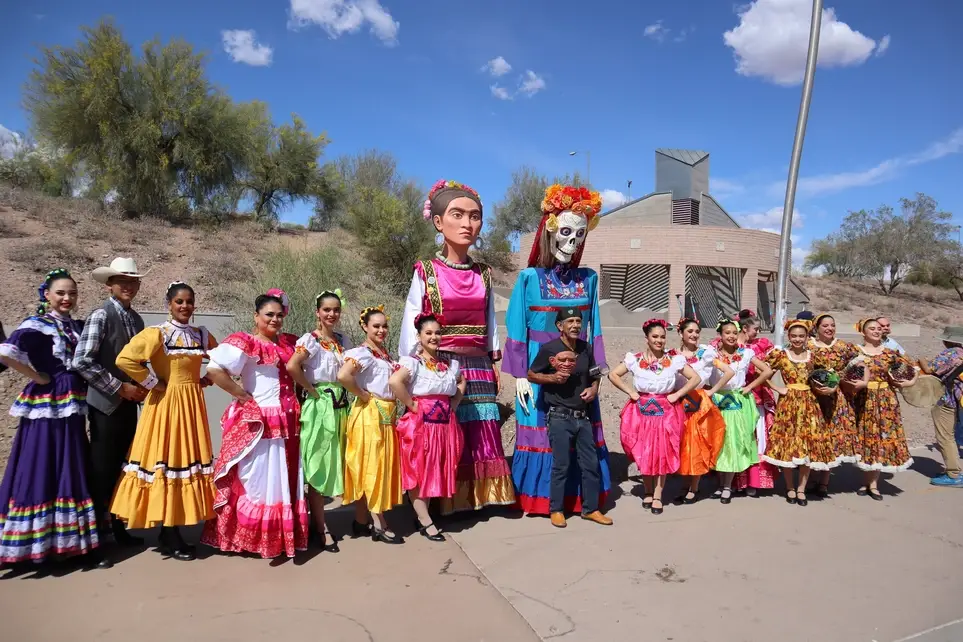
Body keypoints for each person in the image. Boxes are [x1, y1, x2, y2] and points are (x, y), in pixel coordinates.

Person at [400, 179, 514, 514]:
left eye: (475, 216)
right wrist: (411, 366)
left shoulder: (484, 273)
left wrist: (494, 357)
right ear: (438, 222)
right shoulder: (427, 271)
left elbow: (490, 317)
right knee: (443, 430)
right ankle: (441, 499)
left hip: (477, 362)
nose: (468, 224)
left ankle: (478, 496)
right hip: (439, 362)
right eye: (458, 214)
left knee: (480, 425)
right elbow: (411, 320)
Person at [505, 184, 612, 516]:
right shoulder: (528, 279)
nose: (573, 241)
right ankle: (542, 502)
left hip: (579, 376)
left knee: (580, 433)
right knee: (540, 433)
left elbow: (594, 331)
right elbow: (516, 329)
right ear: (549, 233)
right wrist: (521, 376)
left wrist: (596, 379)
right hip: (539, 376)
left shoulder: (589, 279)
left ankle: (584, 500)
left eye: (579, 234)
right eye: (565, 231)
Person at [0, 269, 109, 568]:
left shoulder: (76, 326)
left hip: (73, 401)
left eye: (72, 293)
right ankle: (39, 544)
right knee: (43, 461)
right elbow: (7, 353)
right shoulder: (37, 325)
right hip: (48, 403)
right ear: (46, 295)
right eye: (61, 293)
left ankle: (69, 543)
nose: (67, 298)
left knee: (70, 462)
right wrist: (38, 377)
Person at [109, 282, 216, 561]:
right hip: (168, 405)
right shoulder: (158, 333)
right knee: (169, 461)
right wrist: (153, 382)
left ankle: (174, 528)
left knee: (185, 460)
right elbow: (125, 359)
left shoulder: (200, 334)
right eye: (179, 301)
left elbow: (222, 358)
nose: (185, 306)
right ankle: (169, 533)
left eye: (189, 301)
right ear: (169, 303)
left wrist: (207, 377)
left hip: (191, 404)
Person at [201, 290, 309, 558]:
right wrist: (241, 395)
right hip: (261, 420)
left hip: (287, 420)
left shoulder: (288, 344)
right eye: (269, 315)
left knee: (283, 476)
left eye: (279, 315)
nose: (275, 320)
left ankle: (281, 536)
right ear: (256, 316)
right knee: (260, 478)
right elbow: (214, 370)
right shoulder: (246, 342)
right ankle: (250, 538)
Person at [73, 257, 148, 547]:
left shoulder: (137, 319)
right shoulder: (101, 316)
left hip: (128, 405)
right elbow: (81, 361)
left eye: (133, 281)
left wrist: (145, 387)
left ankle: (116, 527)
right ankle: (94, 538)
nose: (128, 286)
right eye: (122, 281)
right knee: (102, 469)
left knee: (122, 467)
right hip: (105, 405)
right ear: (110, 285)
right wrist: (119, 388)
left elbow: (138, 363)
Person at [527, 307, 612, 528]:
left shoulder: (586, 348)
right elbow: (531, 374)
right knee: (561, 464)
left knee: (590, 464)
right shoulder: (549, 349)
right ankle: (556, 509)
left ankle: (591, 509)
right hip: (558, 416)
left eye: (578, 321)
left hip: (582, 416)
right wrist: (553, 378)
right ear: (559, 326)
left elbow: (595, 375)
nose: (575, 325)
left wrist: (594, 389)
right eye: (570, 321)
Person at [609, 319, 701, 515]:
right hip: (641, 412)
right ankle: (648, 490)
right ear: (647, 339)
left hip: (666, 413)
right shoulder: (635, 359)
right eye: (655, 337)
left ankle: (658, 495)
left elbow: (695, 378)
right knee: (645, 452)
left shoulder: (674, 359)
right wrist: (630, 392)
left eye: (662, 337)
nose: (659, 340)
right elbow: (613, 375)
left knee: (661, 453)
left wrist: (677, 394)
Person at [389, 314, 467, 542]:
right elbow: (395, 382)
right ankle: (425, 520)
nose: (434, 337)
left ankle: (422, 515)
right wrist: (412, 404)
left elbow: (461, 381)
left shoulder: (447, 364)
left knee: (434, 469)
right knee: (420, 470)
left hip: (443, 426)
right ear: (419, 336)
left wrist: (454, 402)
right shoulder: (413, 362)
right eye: (429, 333)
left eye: (437, 333)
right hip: (422, 425)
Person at [286, 290, 353, 552]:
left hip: (340, 404)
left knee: (336, 459)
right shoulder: (310, 340)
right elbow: (293, 366)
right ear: (317, 312)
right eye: (326, 309)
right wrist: (312, 391)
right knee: (317, 461)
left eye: (336, 309)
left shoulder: (342, 340)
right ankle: (320, 527)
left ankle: (323, 520)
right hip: (320, 405)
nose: (332, 314)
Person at [339, 306, 404, 544]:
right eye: (376, 326)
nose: (381, 330)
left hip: (385, 415)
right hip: (370, 415)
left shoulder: (382, 354)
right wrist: (363, 394)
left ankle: (360, 520)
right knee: (372, 467)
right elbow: (344, 375)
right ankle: (379, 523)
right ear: (365, 327)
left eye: (384, 326)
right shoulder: (363, 353)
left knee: (377, 465)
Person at [763, 319, 839, 506]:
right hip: (788, 404)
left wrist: (827, 388)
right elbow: (762, 374)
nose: (797, 339)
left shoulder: (813, 356)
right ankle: (789, 487)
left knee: (807, 445)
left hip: (810, 403)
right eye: (794, 336)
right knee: (788, 446)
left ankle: (801, 489)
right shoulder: (781, 355)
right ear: (789, 336)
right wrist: (777, 388)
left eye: (801, 336)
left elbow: (830, 376)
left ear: (807, 337)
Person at [851, 318, 917, 500]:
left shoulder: (890, 353)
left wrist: (909, 382)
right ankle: (866, 480)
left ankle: (874, 484)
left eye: (879, 329)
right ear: (863, 332)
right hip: (864, 399)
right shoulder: (855, 352)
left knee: (882, 437)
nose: (876, 331)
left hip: (886, 400)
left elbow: (911, 369)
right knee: (867, 437)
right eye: (872, 328)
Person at [711, 320, 773, 504]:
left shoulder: (746, 353)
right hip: (717, 400)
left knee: (732, 442)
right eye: (726, 333)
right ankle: (721, 484)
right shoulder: (712, 354)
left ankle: (728, 487)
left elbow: (766, 371)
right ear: (720, 335)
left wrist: (749, 387)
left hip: (737, 401)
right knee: (718, 443)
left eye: (733, 332)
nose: (730, 336)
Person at [674, 318, 733, 503]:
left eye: (696, 332)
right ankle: (684, 484)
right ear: (680, 333)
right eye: (690, 331)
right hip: (678, 402)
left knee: (697, 445)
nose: (694, 335)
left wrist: (711, 391)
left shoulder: (705, 354)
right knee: (681, 444)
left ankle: (694, 487)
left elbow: (729, 371)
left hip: (699, 403)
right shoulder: (673, 355)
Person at [808, 313, 862, 496]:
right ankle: (812, 477)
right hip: (815, 397)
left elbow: (861, 364)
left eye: (832, 325)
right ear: (817, 328)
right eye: (825, 326)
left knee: (830, 437)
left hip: (838, 398)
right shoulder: (809, 346)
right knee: (815, 436)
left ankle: (824, 481)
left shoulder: (844, 347)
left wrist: (857, 382)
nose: (830, 328)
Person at [732, 311, 778, 497]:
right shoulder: (730, 346)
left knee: (757, 438)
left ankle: (754, 480)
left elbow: (771, 368)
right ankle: (734, 480)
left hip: (756, 396)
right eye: (755, 329)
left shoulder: (761, 346)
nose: (758, 333)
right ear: (744, 328)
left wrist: (758, 383)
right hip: (735, 398)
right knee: (737, 437)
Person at [918, 326, 963, 487]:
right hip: (959, 400)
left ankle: (954, 474)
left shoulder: (950, 353)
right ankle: (954, 469)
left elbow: (930, 369)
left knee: (945, 437)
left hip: (946, 399)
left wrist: (922, 359)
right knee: (950, 435)